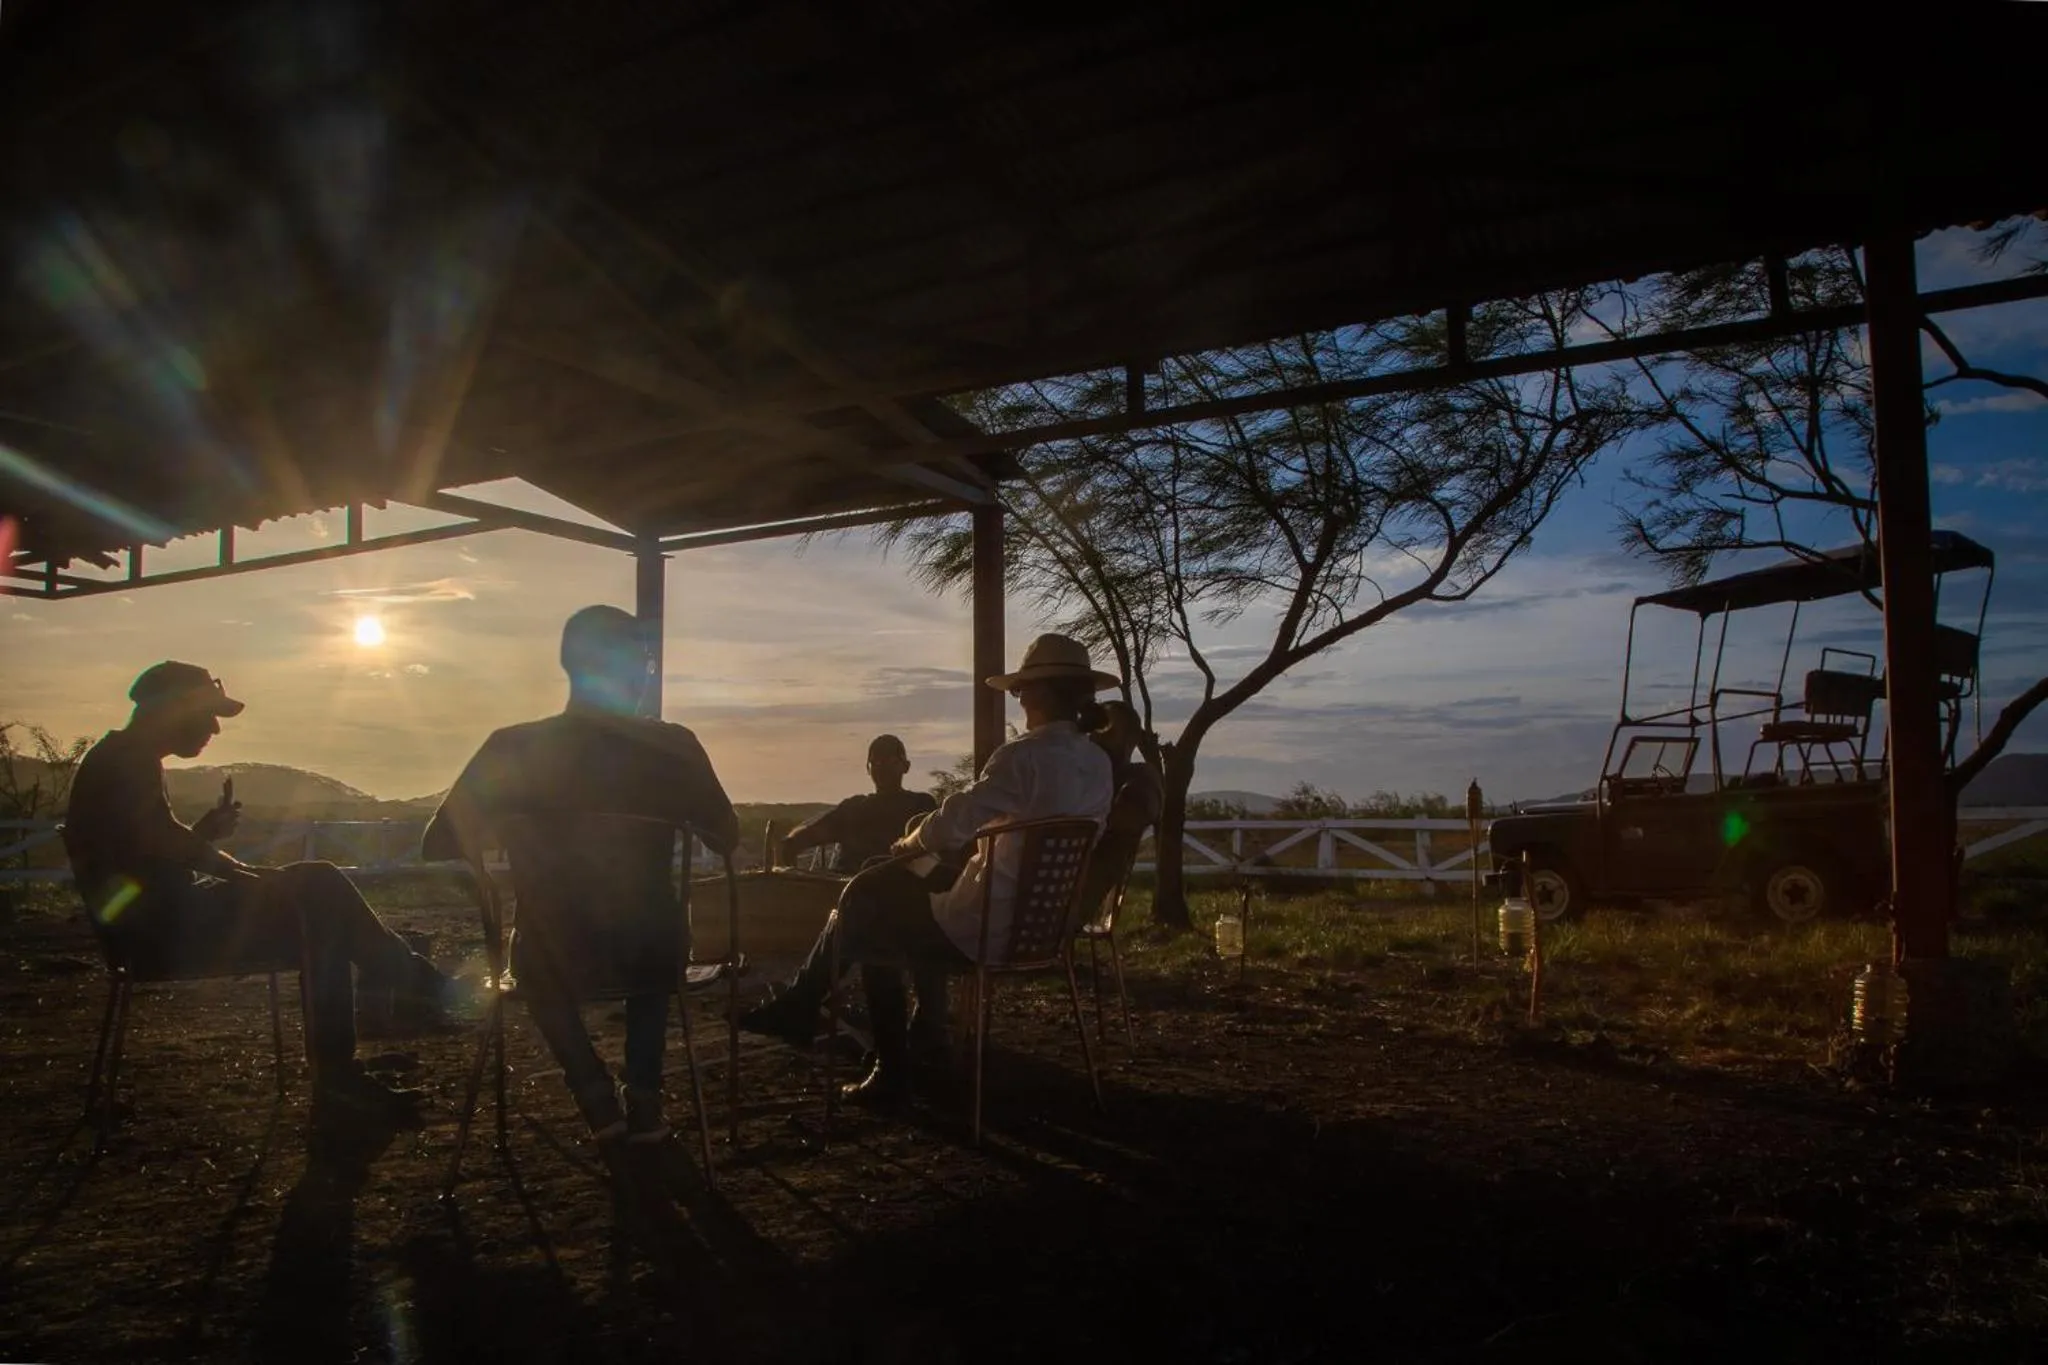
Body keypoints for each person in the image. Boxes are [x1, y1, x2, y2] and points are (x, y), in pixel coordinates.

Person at [61, 661, 455, 1124]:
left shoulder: (120, 758)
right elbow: (157, 841)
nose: (214, 730)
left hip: (152, 925)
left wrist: (204, 835)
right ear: (175, 708)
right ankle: (399, 1001)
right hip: (163, 934)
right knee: (319, 888)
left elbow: (144, 848)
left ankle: (370, 1034)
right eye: (209, 716)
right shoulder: (127, 761)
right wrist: (243, 873)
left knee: (317, 902)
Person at [739, 632, 1117, 1105]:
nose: (1018, 698)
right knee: (881, 895)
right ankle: (868, 1020)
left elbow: (953, 822)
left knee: (867, 900)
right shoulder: (1098, 764)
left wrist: (908, 842)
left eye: (1020, 690)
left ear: (1038, 693)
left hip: (984, 929)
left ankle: (882, 1063)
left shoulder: (1022, 758)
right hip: (1041, 928)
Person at [421, 605, 739, 1147]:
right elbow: (727, 837)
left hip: (554, 955)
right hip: (651, 956)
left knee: (539, 955)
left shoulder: (513, 747)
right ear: (635, 671)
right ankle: (643, 1095)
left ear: (569, 662)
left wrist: (513, 831)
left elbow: (437, 842)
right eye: (644, 661)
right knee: (652, 935)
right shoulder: (675, 747)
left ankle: (592, 1093)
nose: (646, 673)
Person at [778, 734, 936, 874]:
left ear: (905, 766)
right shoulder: (853, 808)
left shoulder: (922, 804)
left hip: (902, 893)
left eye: (891, 761)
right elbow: (803, 838)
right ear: (868, 769)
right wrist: (788, 846)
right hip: (843, 892)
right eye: (876, 762)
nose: (882, 767)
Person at [1076, 700, 1165, 925]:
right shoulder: (1084, 776)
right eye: (1095, 728)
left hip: (1079, 897)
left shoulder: (1139, 777)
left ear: (1132, 739)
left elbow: (1133, 813)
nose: (1096, 737)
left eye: (1108, 730)